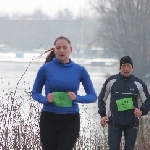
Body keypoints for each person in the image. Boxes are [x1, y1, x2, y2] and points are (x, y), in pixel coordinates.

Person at [32, 36, 97, 150]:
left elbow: (93, 96)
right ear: (55, 50)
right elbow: (35, 93)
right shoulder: (45, 69)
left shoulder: (80, 70)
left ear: (70, 49)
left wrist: (77, 97)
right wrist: (45, 99)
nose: (61, 50)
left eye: (64, 47)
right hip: (49, 118)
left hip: (70, 120)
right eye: (58, 48)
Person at [98, 56, 150, 150]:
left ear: (132, 68)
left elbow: (147, 101)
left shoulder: (139, 83)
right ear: (120, 68)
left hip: (132, 123)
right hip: (114, 122)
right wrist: (103, 114)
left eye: (128, 66)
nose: (126, 68)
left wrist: (141, 111)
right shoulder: (111, 81)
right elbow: (101, 99)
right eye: (123, 66)